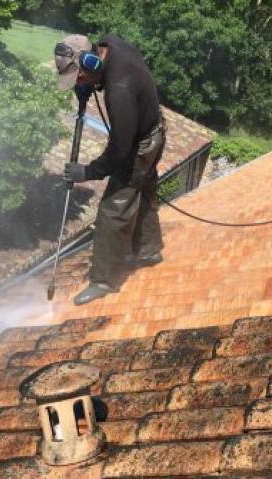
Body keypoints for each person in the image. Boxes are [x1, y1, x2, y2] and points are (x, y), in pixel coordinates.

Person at [54, 34, 166, 306]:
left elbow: (120, 151)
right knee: (143, 190)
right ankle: (149, 251)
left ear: (92, 63)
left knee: (114, 208)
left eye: (79, 78)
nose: (79, 83)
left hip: (140, 145)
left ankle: (103, 280)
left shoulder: (120, 91)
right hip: (152, 128)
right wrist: (85, 92)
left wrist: (88, 171)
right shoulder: (111, 44)